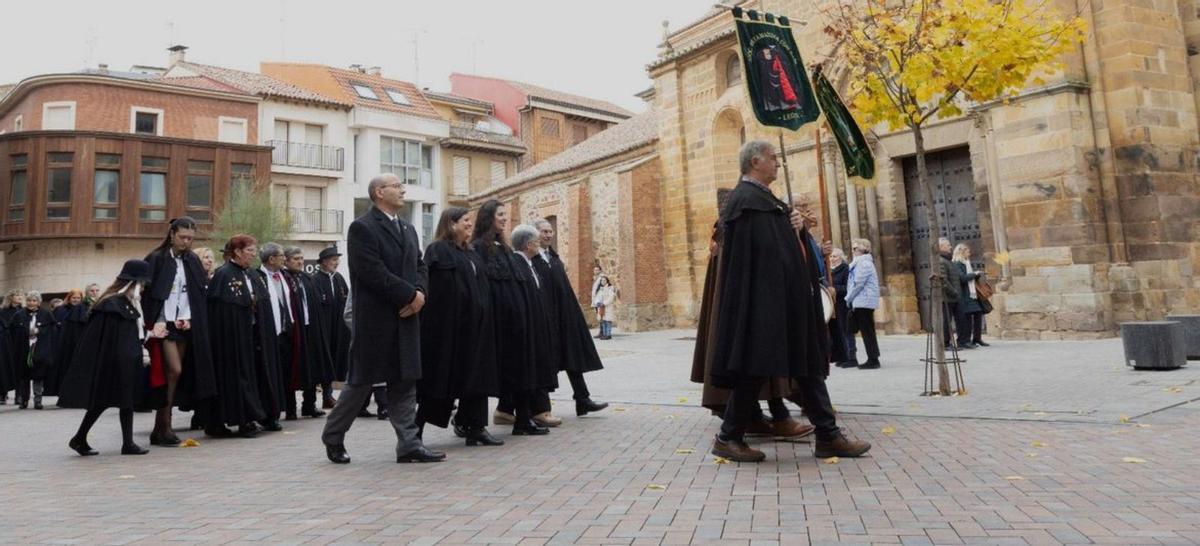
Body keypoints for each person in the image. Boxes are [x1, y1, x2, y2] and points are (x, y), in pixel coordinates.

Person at [700, 140, 870, 463]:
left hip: (785, 304)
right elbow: (757, 258)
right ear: (755, 161)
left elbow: (784, 248)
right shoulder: (745, 202)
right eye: (773, 158)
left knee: (806, 366)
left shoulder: (765, 201)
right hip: (764, 306)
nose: (778, 164)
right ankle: (728, 436)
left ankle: (828, 435)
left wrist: (796, 229)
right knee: (754, 368)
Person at [322, 173, 439, 465]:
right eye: (396, 186)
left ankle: (409, 445)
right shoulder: (362, 228)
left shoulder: (409, 229)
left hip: (407, 317)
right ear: (378, 192)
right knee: (360, 384)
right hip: (377, 320)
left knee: (404, 382)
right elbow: (371, 272)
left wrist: (420, 294)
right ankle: (333, 436)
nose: (403, 190)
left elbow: (420, 265)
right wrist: (409, 296)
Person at [417, 207, 503, 446]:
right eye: (465, 220)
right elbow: (430, 286)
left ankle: (476, 427)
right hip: (448, 329)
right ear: (451, 223)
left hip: (476, 329)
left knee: (477, 378)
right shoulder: (437, 250)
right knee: (440, 380)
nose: (469, 225)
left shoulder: (472, 252)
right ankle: (415, 432)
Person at [60, 260, 154, 456]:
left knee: (116, 401)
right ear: (133, 284)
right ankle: (90, 440)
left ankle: (85, 439)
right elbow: (107, 338)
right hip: (113, 361)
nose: (144, 288)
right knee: (107, 401)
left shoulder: (124, 304)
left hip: (123, 360)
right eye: (142, 284)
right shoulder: (112, 304)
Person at [472, 201, 548, 436]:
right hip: (496, 320)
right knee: (497, 371)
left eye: (505, 214)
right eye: (500, 215)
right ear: (488, 218)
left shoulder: (503, 248)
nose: (504, 218)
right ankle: (474, 424)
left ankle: (523, 419)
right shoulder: (478, 248)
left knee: (521, 366)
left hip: (514, 319)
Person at [141, 217, 217, 446]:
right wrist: (155, 322)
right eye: (183, 237)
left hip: (185, 323)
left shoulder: (192, 260)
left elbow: (194, 293)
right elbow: (149, 293)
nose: (187, 242)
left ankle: (161, 426)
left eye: (191, 238)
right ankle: (165, 423)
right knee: (173, 370)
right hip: (162, 325)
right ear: (172, 234)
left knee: (176, 373)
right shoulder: (156, 258)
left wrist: (190, 317)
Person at [531, 219, 608, 417]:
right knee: (546, 361)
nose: (548, 235)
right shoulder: (532, 260)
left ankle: (582, 400)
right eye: (543, 231)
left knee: (572, 357)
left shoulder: (554, 259)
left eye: (550, 231)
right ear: (534, 234)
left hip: (562, 318)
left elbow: (564, 290)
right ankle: (542, 409)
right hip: (544, 319)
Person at [203, 235, 266, 438]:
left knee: (246, 377)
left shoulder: (247, 273)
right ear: (237, 252)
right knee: (230, 379)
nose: (253, 255)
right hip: (227, 340)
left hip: (245, 336)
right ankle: (226, 422)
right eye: (249, 251)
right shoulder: (223, 274)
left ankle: (246, 419)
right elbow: (218, 309)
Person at [510, 224, 563, 428]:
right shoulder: (518, 264)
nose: (539, 245)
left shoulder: (531, 264)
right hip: (527, 327)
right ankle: (533, 413)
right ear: (528, 244)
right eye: (536, 242)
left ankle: (529, 414)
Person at [283, 246, 334, 418]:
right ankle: (290, 408)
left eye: (301, 258)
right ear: (286, 260)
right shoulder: (284, 279)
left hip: (309, 329)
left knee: (311, 366)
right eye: (296, 258)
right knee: (292, 368)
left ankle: (309, 404)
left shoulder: (307, 279)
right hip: (293, 330)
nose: (300, 261)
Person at [252, 243, 290, 430]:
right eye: (282, 255)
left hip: (281, 333)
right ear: (271, 258)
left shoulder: (284, 276)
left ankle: (277, 411)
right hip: (264, 336)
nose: (285, 258)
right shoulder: (257, 277)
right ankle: (266, 415)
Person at [9, 290, 58, 409]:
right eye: (29, 300)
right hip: (24, 349)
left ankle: (38, 400)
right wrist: (25, 332)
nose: (31, 303)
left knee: (39, 375)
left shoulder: (46, 314)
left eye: (34, 300)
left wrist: (39, 331)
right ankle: (23, 400)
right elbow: (12, 331)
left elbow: (53, 331)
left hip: (40, 349)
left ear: (39, 302)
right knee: (24, 376)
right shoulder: (19, 314)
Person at [313, 246, 349, 409]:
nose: (336, 263)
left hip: (339, 328)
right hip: (323, 328)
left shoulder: (339, 279)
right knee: (324, 360)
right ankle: (326, 396)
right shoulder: (315, 280)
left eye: (337, 260)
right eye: (333, 260)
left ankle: (332, 395)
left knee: (337, 359)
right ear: (324, 262)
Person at [845, 239, 881, 369]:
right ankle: (873, 357)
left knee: (867, 331)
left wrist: (848, 298)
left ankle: (873, 360)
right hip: (860, 301)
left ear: (865, 249)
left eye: (856, 249)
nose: (853, 251)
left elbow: (858, 283)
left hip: (864, 301)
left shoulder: (864, 263)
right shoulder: (858, 263)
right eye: (853, 249)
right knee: (867, 331)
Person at [47, 289, 87, 400]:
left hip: (77, 344)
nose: (76, 300)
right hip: (63, 344)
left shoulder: (84, 310)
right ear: (69, 298)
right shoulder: (60, 310)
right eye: (73, 298)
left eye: (78, 298)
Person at [953, 243, 988, 349]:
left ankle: (977, 338)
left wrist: (976, 275)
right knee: (967, 318)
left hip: (972, 294)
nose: (970, 253)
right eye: (967, 251)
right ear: (961, 252)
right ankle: (965, 341)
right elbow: (962, 278)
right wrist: (974, 274)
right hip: (964, 294)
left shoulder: (967, 263)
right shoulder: (957, 264)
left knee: (978, 314)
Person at [830, 249, 855, 368]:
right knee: (839, 330)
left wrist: (835, 289)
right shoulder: (830, 270)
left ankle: (851, 356)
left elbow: (848, 287)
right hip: (833, 305)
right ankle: (843, 355)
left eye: (834, 256)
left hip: (843, 304)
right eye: (831, 256)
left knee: (847, 330)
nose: (832, 258)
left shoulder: (845, 269)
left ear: (841, 257)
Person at [938, 238, 962, 351]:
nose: (950, 247)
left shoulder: (947, 260)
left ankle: (954, 342)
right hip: (946, 297)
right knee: (946, 321)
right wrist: (954, 292)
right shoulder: (941, 261)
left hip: (952, 297)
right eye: (948, 245)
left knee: (950, 320)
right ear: (941, 247)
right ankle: (945, 344)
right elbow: (943, 281)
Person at [594, 276, 615, 340]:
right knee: (603, 321)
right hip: (601, 307)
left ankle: (608, 334)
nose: (603, 282)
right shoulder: (601, 289)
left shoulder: (610, 288)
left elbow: (611, 298)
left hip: (607, 307)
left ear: (607, 281)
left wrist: (604, 303)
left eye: (604, 280)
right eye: (602, 281)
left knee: (607, 321)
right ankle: (604, 334)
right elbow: (597, 297)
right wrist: (598, 302)